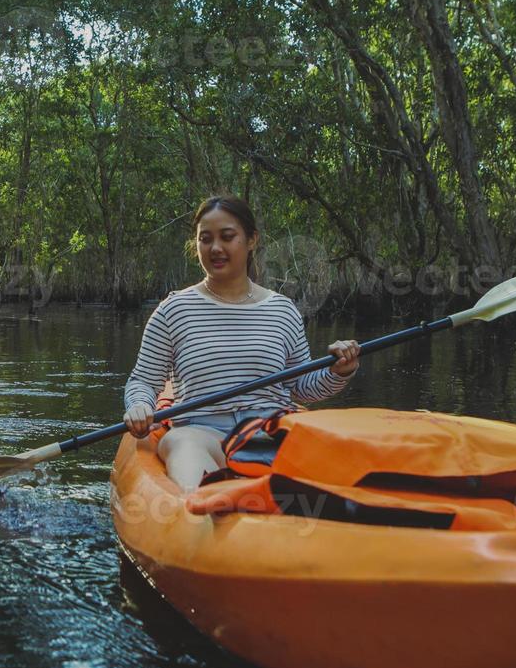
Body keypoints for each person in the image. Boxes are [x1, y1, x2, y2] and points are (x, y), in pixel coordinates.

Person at [122, 196, 359, 491]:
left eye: (227, 236)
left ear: (251, 240)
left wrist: (340, 371)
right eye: (205, 239)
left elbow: (302, 387)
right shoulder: (174, 310)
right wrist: (140, 405)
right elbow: (143, 381)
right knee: (181, 442)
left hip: (270, 433)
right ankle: (202, 511)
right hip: (201, 433)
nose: (216, 248)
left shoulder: (282, 310)